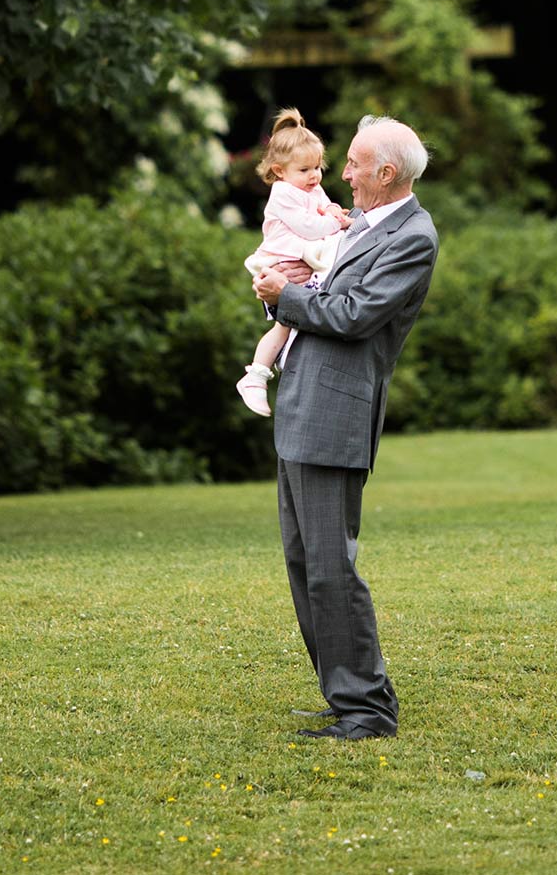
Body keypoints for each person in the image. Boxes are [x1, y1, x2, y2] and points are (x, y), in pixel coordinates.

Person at [252, 114, 438, 741]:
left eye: (355, 164)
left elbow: (355, 314)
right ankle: (347, 695)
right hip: (305, 407)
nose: (343, 174)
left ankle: (367, 710)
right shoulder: (361, 223)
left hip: (336, 415)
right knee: (306, 564)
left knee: (332, 567)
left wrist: (284, 296)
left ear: (387, 173)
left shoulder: (412, 236)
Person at [234, 109, 352, 416]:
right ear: (280, 170)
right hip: (281, 266)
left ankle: (285, 376)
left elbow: (326, 209)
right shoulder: (283, 193)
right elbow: (308, 227)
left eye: (317, 167)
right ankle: (255, 376)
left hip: (305, 265)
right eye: (304, 169)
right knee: (284, 328)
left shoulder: (311, 188)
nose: (314, 175)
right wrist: (336, 224)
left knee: (298, 327)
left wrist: (336, 212)